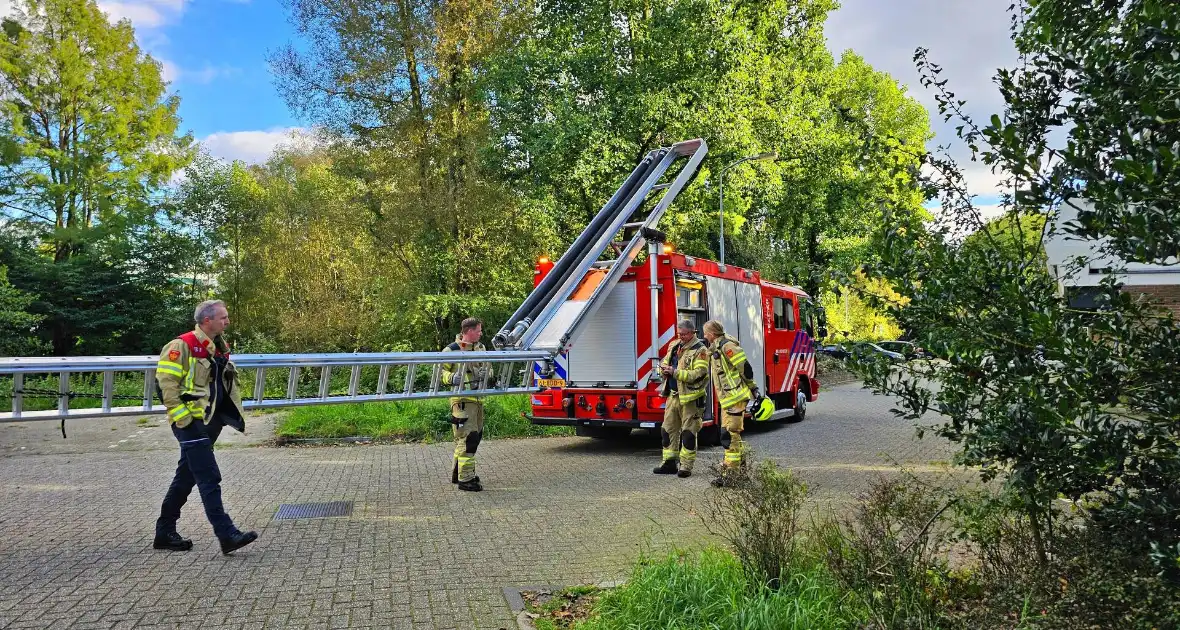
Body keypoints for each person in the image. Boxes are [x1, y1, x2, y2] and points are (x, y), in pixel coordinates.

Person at [154, 300, 258, 554]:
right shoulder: (181, 346)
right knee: (209, 476)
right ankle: (227, 534)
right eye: (223, 318)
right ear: (206, 320)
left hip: (208, 423)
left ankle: (164, 532)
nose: (227, 321)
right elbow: (166, 387)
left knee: (186, 477)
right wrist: (185, 421)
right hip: (189, 423)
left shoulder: (217, 346)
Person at [653, 320, 710, 478]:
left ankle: (685, 466)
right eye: (679, 334)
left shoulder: (701, 350)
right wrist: (664, 370)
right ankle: (669, 462)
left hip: (691, 399)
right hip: (673, 395)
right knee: (667, 430)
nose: (681, 337)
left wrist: (675, 372)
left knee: (688, 434)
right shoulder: (675, 345)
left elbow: (699, 373)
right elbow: (665, 361)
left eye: (684, 334)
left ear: (692, 332)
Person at [441, 317, 492, 492]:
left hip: (478, 400)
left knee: (474, 437)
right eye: (478, 330)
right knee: (467, 439)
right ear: (469, 331)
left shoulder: (481, 348)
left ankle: (458, 473)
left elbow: (490, 367)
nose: (481, 333)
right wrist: (451, 378)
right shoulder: (451, 350)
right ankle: (466, 479)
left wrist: (488, 372)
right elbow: (440, 371)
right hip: (462, 401)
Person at [702, 320, 753, 487]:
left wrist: (753, 388)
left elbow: (744, 367)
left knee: (730, 435)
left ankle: (732, 476)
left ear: (713, 333)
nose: (704, 336)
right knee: (730, 435)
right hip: (729, 399)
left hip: (735, 398)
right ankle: (739, 472)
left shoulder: (727, 346)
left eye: (706, 333)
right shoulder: (716, 347)